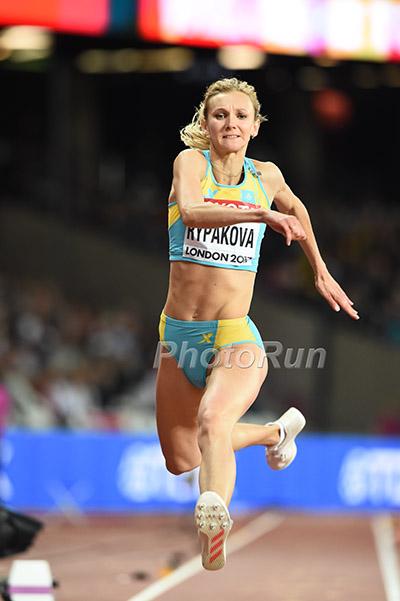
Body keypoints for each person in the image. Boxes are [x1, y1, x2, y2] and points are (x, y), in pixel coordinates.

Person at [156, 78, 359, 571]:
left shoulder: (266, 176)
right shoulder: (190, 164)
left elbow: (297, 209)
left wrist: (320, 270)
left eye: (241, 116)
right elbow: (192, 211)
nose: (231, 123)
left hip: (234, 334)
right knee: (181, 458)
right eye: (220, 115)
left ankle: (213, 522)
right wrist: (260, 215)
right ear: (206, 123)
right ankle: (274, 433)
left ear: (254, 126)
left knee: (213, 422)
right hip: (177, 335)